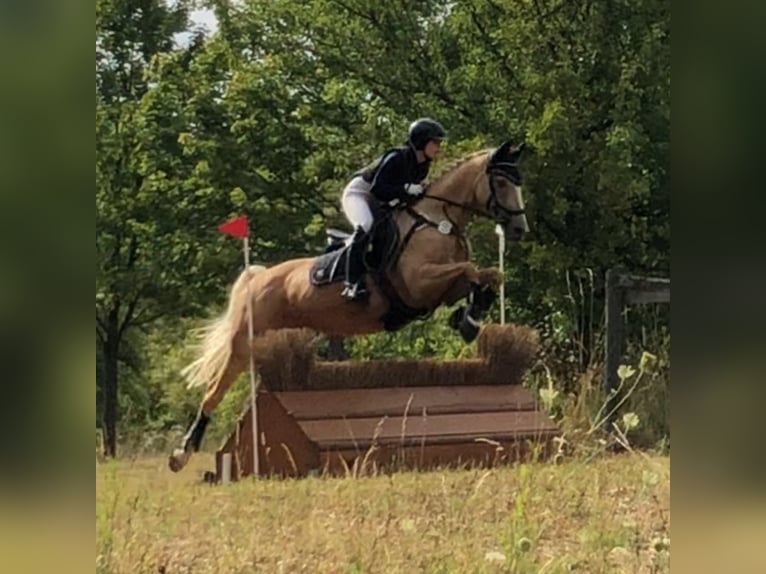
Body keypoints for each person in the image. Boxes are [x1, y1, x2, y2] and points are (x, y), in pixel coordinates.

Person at [339, 117, 446, 302]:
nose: (439, 147)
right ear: (421, 142)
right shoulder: (398, 157)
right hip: (360, 194)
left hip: (383, 201)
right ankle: (352, 284)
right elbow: (377, 189)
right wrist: (405, 189)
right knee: (366, 225)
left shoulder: (422, 166)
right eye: (435, 142)